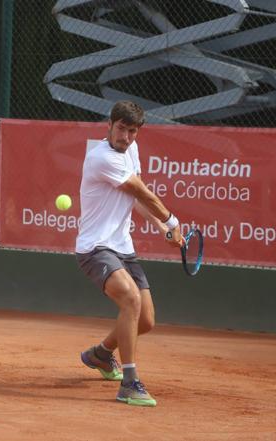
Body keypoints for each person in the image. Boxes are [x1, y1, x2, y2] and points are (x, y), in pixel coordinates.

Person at [75, 100, 183, 407]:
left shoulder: (131, 151)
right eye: (121, 128)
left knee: (145, 320)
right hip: (95, 247)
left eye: (132, 131)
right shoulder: (101, 157)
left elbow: (132, 198)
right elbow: (141, 191)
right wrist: (171, 221)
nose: (125, 136)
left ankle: (101, 354)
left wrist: (160, 227)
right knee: (131, 299)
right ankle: (130, 383)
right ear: (109, 125)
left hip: (123, 246)